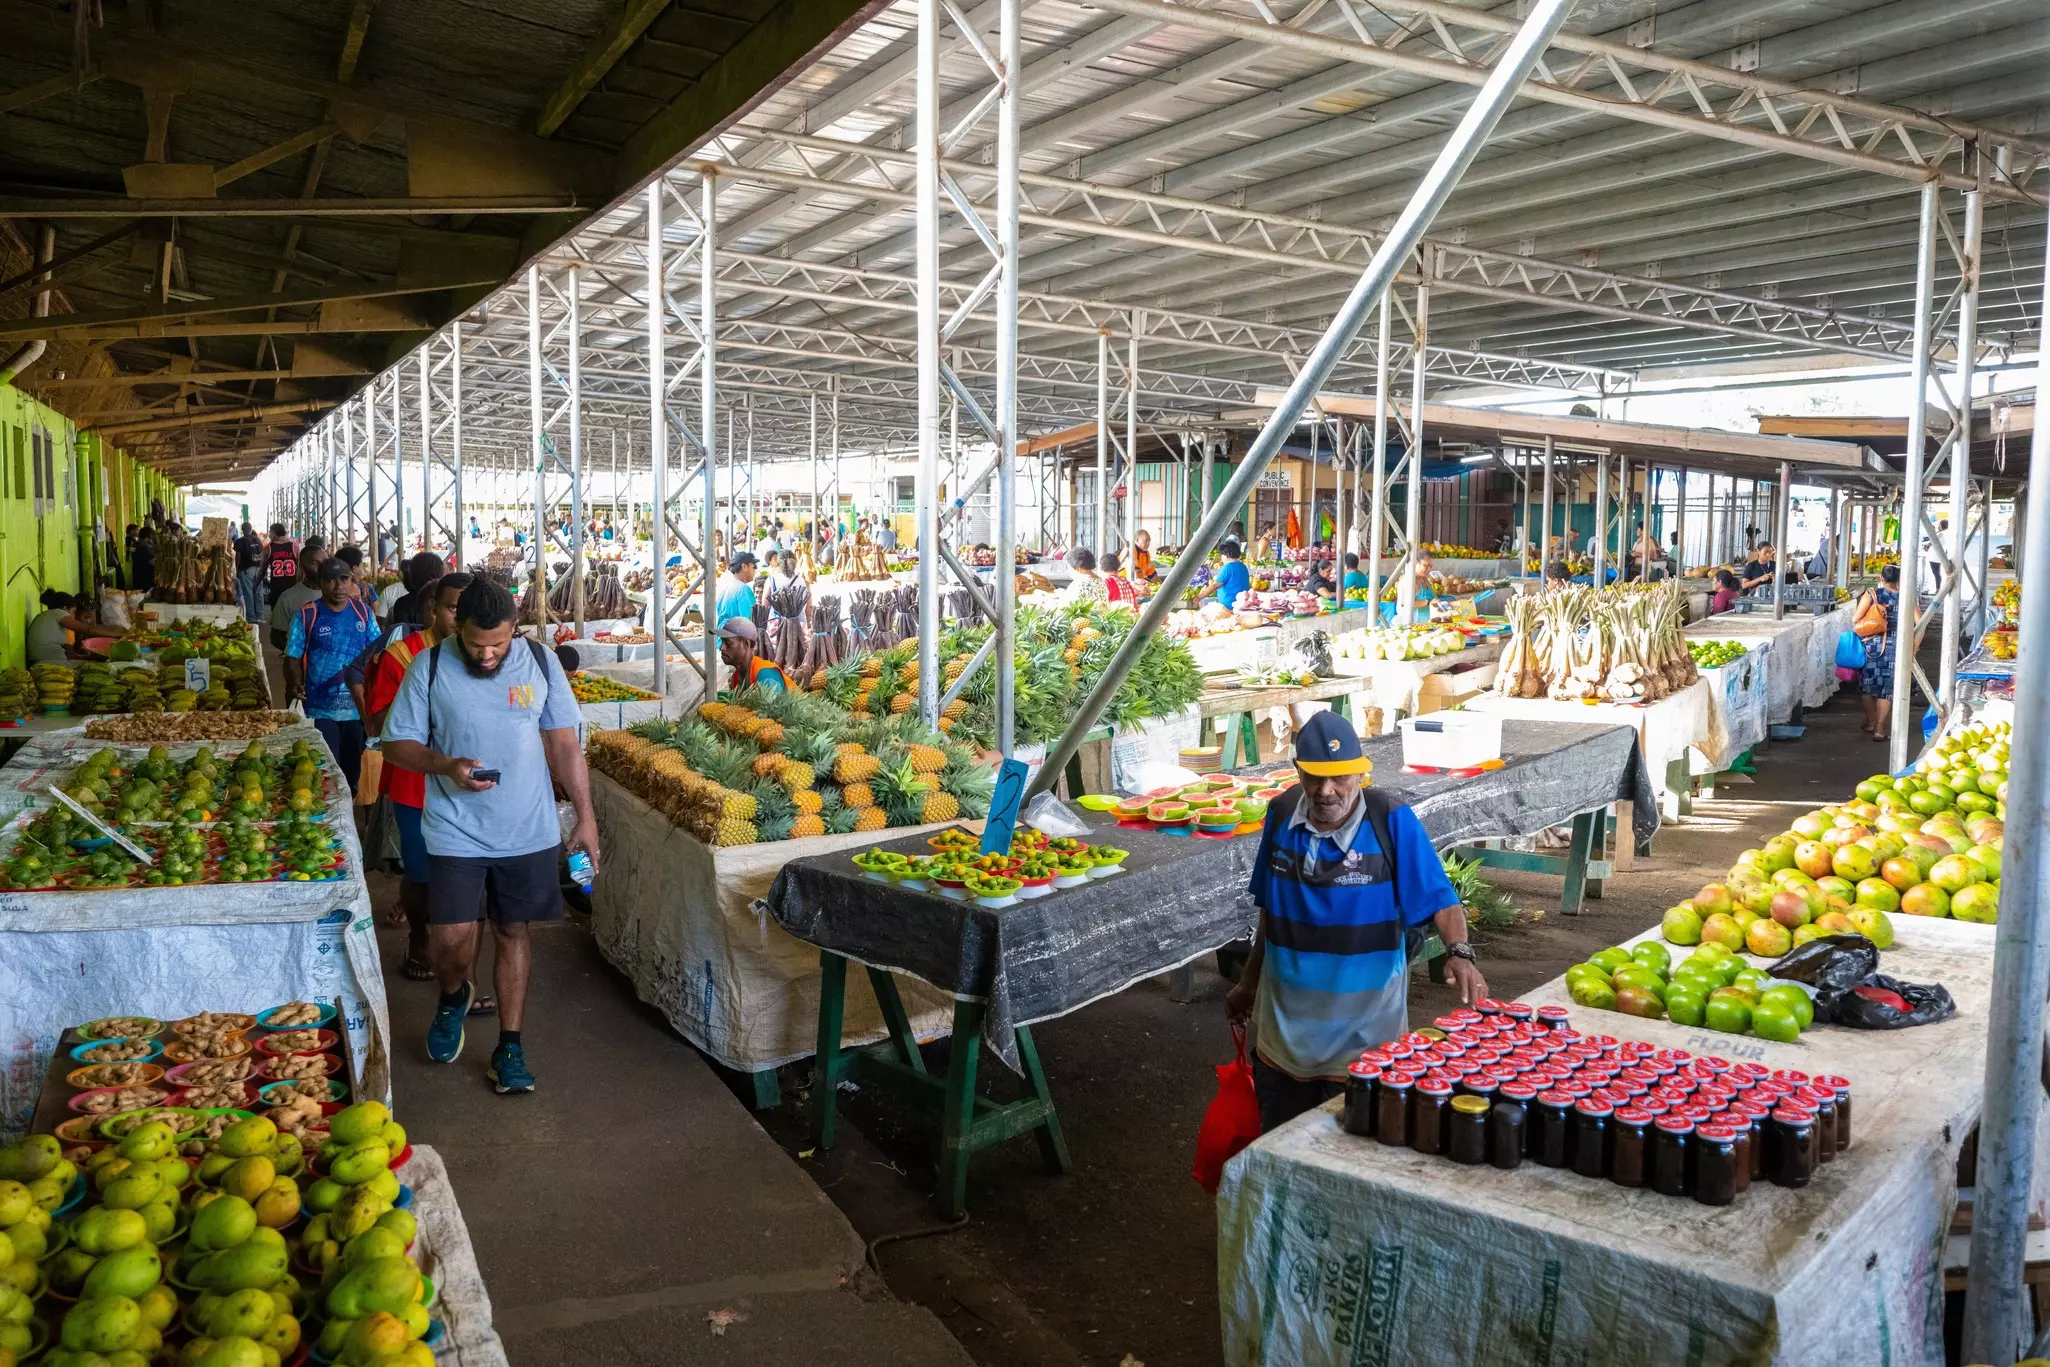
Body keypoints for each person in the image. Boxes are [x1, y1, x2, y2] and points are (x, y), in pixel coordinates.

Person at [380, 578, 598, 1095]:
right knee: (448, 939)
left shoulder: (540, 663)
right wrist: (444, 765)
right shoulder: (429, 666)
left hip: (526, 830)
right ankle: (453, 996)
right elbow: (395, 744)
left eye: (497, 645)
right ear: (458, 625)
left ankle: (510, 1046)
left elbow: (565, 743)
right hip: (455, 829)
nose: (486, 655)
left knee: (513, 931)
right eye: (477, 644)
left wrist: (587, 817)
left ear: (514, 630)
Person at [1225, 712, 1486, 1132]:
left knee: (1354, 1153)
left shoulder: (1391, 820)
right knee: (1282, 1148)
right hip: (1282, 1039)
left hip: (1365, 1045)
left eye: (1341, 778)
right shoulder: (1280, 815)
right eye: (1315, 778)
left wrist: (1459, 953)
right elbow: (1271, 910)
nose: (1327, 791)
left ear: (1361, 774)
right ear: (1298, 771)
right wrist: (1249, 982)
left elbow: (1440, 898)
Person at [368, 571, 470, 983]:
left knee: (466, 875)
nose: (459, 619)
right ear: (432, 610)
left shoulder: (483, 656)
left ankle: (461, 969)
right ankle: (420, 936)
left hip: (469, 786)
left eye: (467, 610)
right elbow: (378, 721)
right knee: (421, 872)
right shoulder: (401, 656)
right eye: (451, 608)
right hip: (414, 784)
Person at [285, 559, 377, 793]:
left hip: (357, 709)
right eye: (330, 580)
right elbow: (293, 656)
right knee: (326, 769)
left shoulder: (363, 612)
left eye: (344, 579)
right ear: (320, 583)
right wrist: (295, 683)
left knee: (352, 772)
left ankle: (348, 817)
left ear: (351, 580)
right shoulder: (307, 615)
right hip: (319, 708)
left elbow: (376, 652)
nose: (338, 586)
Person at [1855, 566, 1901, 743]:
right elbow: (1920, 623)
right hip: (1895, 647)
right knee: (1887, 690)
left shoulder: (1872, 594)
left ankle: (1869, 722)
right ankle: (1879, 730)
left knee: (1868, 686)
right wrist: (1913, 648)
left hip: (1872, 647)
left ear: (1881, 577)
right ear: (1899, 579)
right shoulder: (1905, 597)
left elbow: (1855, 619)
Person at [268, 552, 322, 652]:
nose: (321, 567)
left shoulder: (337, 594)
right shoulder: (288, 597)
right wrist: (303, 655)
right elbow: (277, 638)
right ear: (302, 566)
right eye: (315, 563)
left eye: (324, 562)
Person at [717, 617, 787, 693]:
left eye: (728, 643)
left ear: (746, 643)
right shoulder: (736, 677)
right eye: (722, 642)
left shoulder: (766, 674)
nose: (721, 648)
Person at [27, 590, 97, 663]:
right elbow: (71, 655)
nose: (73, 616)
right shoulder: (59, 615)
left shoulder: (47, 616)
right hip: (48, 663)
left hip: (41, 661)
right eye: (73, 612)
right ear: (65, 608)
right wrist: (94, 658)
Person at [234, 522, 266, 624]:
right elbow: (262, 555)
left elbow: (238, 556)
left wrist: (237, 568)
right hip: (258, 569)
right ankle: (260, 616)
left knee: (248, 593)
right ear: (251, 529)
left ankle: (251, 617)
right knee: (258, 593)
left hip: (247, 570)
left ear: (242, 529)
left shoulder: (239, 542)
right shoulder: (257, 540)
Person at [715, 552, 758, 626]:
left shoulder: (724, 588)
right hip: (737, 637)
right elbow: (750, 624)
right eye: (754, 567)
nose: (755, 570)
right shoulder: (744, 590)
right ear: (744, 567)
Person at [264, 524, 301, 607]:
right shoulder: (294, 545)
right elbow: (300, 567)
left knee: (276, 613)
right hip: (292, 585)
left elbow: (263, 569)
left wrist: (256, 583)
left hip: (276, 586)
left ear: (274, 533)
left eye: (270, 532)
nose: (269, 535)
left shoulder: (268, 548)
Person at [1214, 539, 1251, 610]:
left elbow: (1215, 585)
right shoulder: (1243, 566)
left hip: (1229, 606)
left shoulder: (1227, 567)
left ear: (1226, 555)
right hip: (1242, 605)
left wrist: (1199, 597)